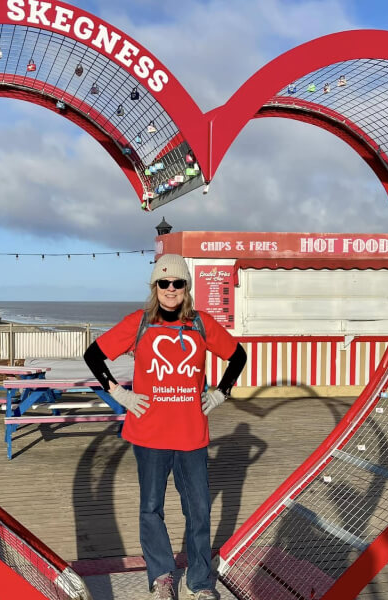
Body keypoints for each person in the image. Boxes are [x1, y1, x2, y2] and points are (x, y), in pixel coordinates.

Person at [84, 254, 247, 600]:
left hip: (191, 435)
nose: (170, 289)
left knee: (199, 511)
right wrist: (119, 395)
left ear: (186, 287)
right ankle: (161, 576)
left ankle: (200, 583)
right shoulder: (139, 324)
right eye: (164, 283)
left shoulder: (200, 324)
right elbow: (93, 355)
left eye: (177, 283)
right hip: (149, 435)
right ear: (154, 287)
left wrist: (221, 393)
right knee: (151, 508)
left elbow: (238, 356)